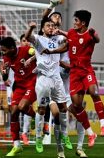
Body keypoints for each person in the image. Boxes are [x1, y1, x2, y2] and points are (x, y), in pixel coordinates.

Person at [42, 10, 104, 147]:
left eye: (76, 20)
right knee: (72, 107)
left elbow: (97, 39)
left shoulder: (85, 35)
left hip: (79, 72)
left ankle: (100, 126)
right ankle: (88, 134)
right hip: (69, 74)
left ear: (82, 23)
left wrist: (95, 34)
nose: (74, 22)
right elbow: (66, 43)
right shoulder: (67, 33)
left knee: (89, 95)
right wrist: (52, 51)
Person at [25, 18, 68, 157]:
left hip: (57, 78)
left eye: (52, 25)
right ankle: (38, 138)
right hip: (43, 79)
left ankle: (65, 135)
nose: (51, 27)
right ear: (43, 28)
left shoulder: (58, 38)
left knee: (63, 108)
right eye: (48, 25)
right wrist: (31, 27)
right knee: (42, 109)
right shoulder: (38, 39)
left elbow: (70, 41)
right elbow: (27, 37)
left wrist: (60, 31)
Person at [0, 37, 36, 157]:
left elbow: (39, 52)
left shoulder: (26, 50)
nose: (3, 53)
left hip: (32, 82)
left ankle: (34, 116)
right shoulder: (6, 58)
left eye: (4, 50)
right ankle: (16, 145)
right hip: (19, 85)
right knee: (13, 111)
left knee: (21, 106)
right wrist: (4, 73)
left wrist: (31, 59)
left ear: (12, 48)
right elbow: (4, 71)